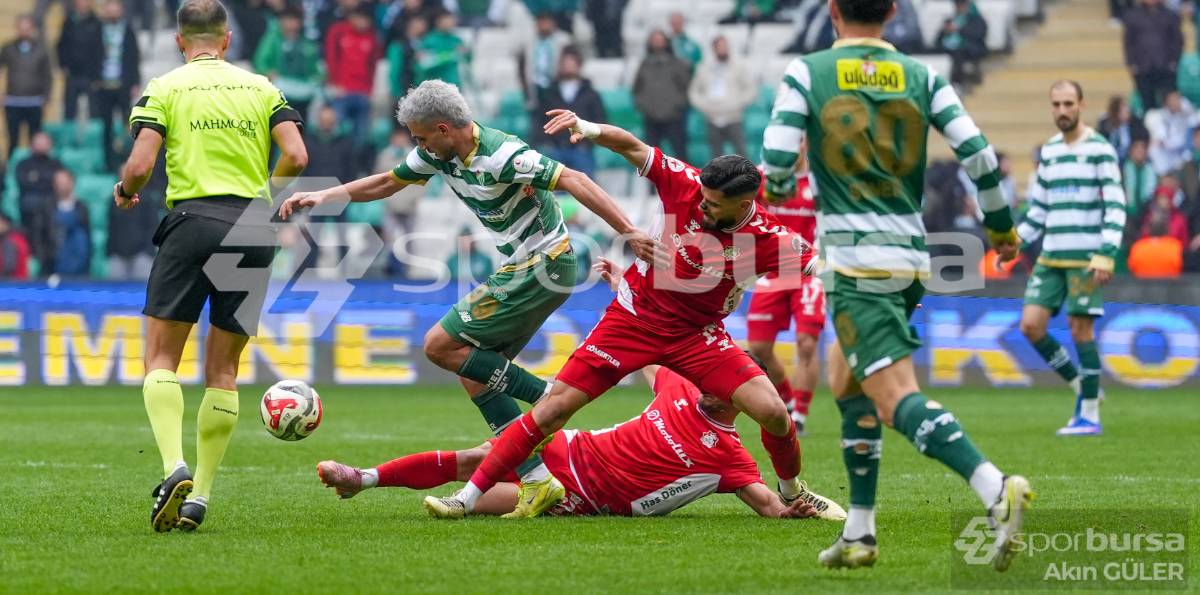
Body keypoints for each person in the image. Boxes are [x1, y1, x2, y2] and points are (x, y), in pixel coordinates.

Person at [421, 109, 836, 524]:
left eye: (713, 205)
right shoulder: (686, 182)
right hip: (633, 318)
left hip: (697, 335)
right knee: (552, 411)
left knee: (772, 412)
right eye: (703, 199)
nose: (702, 207)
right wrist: (588, 128)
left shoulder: (770, 238)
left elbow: (823, 269)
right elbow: (632, 146)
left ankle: (794, 492)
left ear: (744, 204)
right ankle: (468, 497)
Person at [759, 0, 1030, 571]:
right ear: (893, 10)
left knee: (893, 397)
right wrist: (1002, 232)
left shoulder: (808, 71)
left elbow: (775, 164)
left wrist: (775, 189)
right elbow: (981, 158)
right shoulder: (924, 75)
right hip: (909, 256)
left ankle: (995, 490)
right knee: (845, 383)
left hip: (858, 263)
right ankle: (859, 532)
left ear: (832, 8)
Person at [278, 80, 659, 517]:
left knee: (439, 344)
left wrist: (628, 230)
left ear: (443, 129)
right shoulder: (438, 154)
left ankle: (546, 394)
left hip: (544, 263)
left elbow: (574, 178)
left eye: (421, 137)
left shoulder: (502, 154)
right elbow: (387, 182)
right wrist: (325, 194)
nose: (417, 146)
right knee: (473, 370)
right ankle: (536, 481)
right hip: (521, 266)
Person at [114, 0, 309, 533]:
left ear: (181, 43)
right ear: (227, 40)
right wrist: (263, 202)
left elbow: (140, 165)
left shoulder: (165, 87)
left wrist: (126, 191)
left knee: (160, 357)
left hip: (193, 220)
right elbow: (296, 155)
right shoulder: (261, 87)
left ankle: (172, 466)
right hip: (252, 224)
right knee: (223, 370)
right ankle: (199, 494)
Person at [319, 364, 842, 520]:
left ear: (743, 402)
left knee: (487, 502)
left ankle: (374, 482)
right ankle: (361, 479)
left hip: (584, 501)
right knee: (475, 459)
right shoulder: (682, 385)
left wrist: (793, 510)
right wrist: (623, 287)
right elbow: (652, 357)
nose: (709, 383)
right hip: (572, 450)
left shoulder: (731, 457)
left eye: (721, 384)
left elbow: (768, 504)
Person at [1016, 81, 1125, 438]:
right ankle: (1083, 387)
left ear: (1081, 104)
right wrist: (1015, 243)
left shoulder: (1099, 150)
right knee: (1031, 325)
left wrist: (1106, 252)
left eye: (1068, 103)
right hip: (1051, 255)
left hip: (1085, 257)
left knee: (1081, 331)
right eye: (1056, 104)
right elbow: (1039, 209)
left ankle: (1090, 415)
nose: (1062, 110)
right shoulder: (1048, 150)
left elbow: (1115, 205)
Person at [746, 156, 822, 434]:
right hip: (773, 270)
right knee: (759, 347)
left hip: (809, 269)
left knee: (806, 343)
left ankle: (800, 414)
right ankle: (788, 401)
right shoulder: (760, 178)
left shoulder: (820, 180)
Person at [532, 47, 607, 177]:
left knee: (586, 189)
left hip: (581, 149)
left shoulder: (590, 93)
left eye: (571, 62)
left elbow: (599, 120)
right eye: (564, 63)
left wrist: (587, 143)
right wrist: (545, 142)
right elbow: (540, 119)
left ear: (579, 65)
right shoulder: (549, 93)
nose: (568, 66)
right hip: (556, 148)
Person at [688, 35, 757, 159]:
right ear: (714, 49)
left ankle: (747, 178)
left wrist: (738, 103)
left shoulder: (738, 66)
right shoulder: (703, 68)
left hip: (733, 117)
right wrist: (705, 107)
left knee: (741, 153)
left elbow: (751, 89)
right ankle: (721, 179)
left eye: (725, 46)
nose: (723, 49)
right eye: (719, 46)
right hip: (712, 118)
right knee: (716, 156)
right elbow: (693, 92)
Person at [325, 6, 383, 149]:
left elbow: (372, 66)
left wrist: (369, 90)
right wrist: (334, 83)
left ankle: (355, 165)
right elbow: (332, 58)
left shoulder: (372, 38)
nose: (362, 22)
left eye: (366, 20)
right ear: (352, 17)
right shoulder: (339, 32)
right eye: (359, 18)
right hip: (342, 90)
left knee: (361, 135)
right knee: (337, 131)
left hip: (362, 92)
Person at [94, 0, 141, 171]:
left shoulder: (128, 30)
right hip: (103, 85)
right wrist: (94, 80)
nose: (113, 13)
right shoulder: (98, 30)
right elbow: (91, 56)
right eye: (110, 9)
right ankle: (108, 162)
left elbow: (135, 57)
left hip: (123, 85)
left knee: (126, 125)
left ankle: (127, 159)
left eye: (116, 9)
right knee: (106, 127)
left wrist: (135, 81)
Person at [253, 6, 323, 122]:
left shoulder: (306, 43)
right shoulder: (272, 40)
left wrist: (319, 77)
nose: (291, 25)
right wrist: (267, 72)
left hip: (303, 88)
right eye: (288, 20)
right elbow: (260, 62)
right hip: (280, 87)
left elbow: (314, 69)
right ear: (281, 22)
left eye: (295, 20)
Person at [372, 126, 423, 278]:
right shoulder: (385, 156)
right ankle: (389, 268)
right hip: (391, 207)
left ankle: (407, 271)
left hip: (410, 207)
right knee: (389, 240)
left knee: (409, 240)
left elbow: (422, 183)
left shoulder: (415, 156)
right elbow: (379, 178)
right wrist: (389, 200)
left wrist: (410, 200)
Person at [1124, 0, 1182, 111]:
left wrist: (1174, 61)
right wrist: (1132, 64)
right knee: (1148, 105)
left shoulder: (1170, 15)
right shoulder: (1133, 15)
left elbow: (1177, 40)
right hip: (1143, 68)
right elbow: (1129, 42)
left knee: (1169, 105)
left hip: (1166, 67)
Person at [633, 30, 691, 162]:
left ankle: (684, 183)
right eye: (654, 40)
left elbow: (686, 87)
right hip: (651, 118)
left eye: (660, 39)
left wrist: (677, 105)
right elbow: (637, 89)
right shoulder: (644, 65)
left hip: (674, 117)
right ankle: (653, 183)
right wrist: (644, 106)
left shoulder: (677, 63)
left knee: (680, 154)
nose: (657, 43)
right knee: (651, 159)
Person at [0, 16, 53, 153]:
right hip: (13, 101)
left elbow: (48, 76)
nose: (24, 32)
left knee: (34, 140)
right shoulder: (8, 49)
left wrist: (46, 97)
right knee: (13, 140)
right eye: (21, 28)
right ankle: (12, 169)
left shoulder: (41, 50)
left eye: (27, 29)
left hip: (34, 101)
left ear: (33, 29)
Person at [16, 131, 63, 273]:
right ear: (31, 145)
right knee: (35, 207)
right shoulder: (23, 164)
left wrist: (37, 179)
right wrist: (46, 181)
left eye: (45, 142)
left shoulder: (56, 164)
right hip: (30, 211)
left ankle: (50, 259)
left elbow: (59, 184)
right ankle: (37, 256)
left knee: (50, 211)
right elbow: (24, 183)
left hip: (51, 209)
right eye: (39, 141)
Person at [57, 0, 103, 122]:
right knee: (69, 109)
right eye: (79, 3)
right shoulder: (69, 22)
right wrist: (63, 64)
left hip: (91, 73)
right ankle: (68, 139)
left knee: (95, 110)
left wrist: (98, 71)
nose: (82, 6)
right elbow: (61, 44)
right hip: (72, 72)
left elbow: (100, 49)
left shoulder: (97, 23)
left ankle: (95, 138)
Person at [519, 12, 572, 109]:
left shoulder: (564, 41)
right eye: (541, 22)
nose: (544, 25)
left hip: (555, 84)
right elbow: (522, 66)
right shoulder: (528, 42)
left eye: (547, 22)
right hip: (535, 86)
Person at [936, 0, 989, 86]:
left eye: (962, 5)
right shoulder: (950, 20)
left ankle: (957, 82)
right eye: (958, 6)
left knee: (958, 54)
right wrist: (945, 32)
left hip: (969, 48)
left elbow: (977, 35)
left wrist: (959, 29)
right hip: (947, 47)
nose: (959, 8)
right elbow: (938, 38)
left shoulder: (976, 20)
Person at [49, 169, 91, 277]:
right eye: (58, 183)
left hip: (79, 267)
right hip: (54, 264)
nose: (61, 186)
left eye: (64, 182)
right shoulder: (47, 208)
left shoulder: (82, 207)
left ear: (72, 183)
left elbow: (87, 236)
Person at [1128, 208, 1184, 277]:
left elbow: (1131, 268)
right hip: (1170, 287)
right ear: (1167, 229)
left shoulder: (1137, 247)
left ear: (1148, 229)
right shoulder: (1176, 246)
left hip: (1142, 286)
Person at [1097, 94, 1146, 160]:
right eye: (1124, 111)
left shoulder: (1134, 123)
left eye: (1127, 111)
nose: (1128, 112)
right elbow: (1101, 142)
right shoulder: (1105, 124)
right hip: (1109, 158)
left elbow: (1142, 138)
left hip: (1128, 159)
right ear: (1116, 112)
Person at [0, 212, 31, 279]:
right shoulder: (18, 237)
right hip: (21, 281)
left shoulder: (9, 241)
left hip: (11, 283)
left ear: (5, 223)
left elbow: (8, 266)